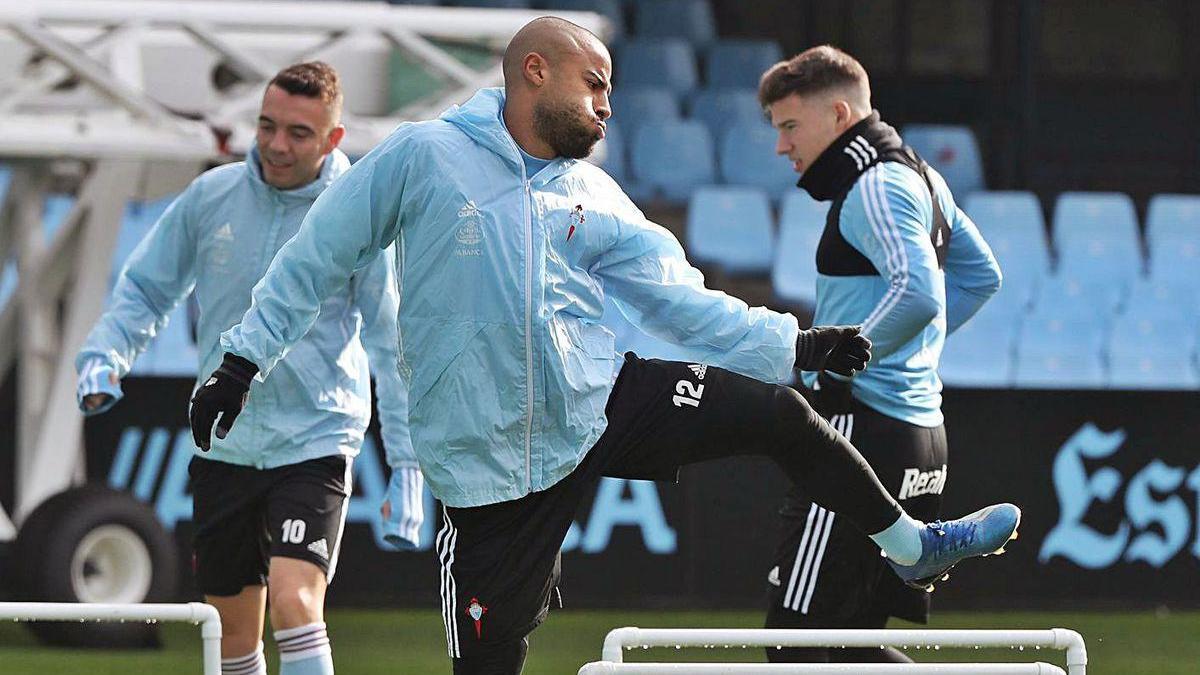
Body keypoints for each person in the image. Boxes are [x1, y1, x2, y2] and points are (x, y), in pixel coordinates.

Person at [188, 19, 1019, 675]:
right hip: (485, 471)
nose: (609, 106)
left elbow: (683, 305)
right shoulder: (423, 157)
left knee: (781, 412)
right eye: (597, 85)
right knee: (487, 662)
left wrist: (799, 345)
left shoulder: (594, 194)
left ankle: (909, 545)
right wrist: (240, 360)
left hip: (596, 404)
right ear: (534, 73)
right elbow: (316, 259)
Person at [76, 62, 423, 675]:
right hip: (223, 444)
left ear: (333, 140)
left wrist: (407, 464)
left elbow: (391, 341)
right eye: (267, 127)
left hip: (315, 439)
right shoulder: (211, 197)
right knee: (234, 640)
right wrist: (105, 355)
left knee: (295, 603)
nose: (276, 145)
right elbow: (146, 291)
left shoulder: (355, 215)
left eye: (297, 133)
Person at [757, 46, 1004, 663]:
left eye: (790, 127)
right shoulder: (922, 175)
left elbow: (920, 295)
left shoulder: (875, 185)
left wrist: (843, 363)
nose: (782, 147)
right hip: (917, 434)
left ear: (839, 114)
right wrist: (905, 356)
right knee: (848, 644)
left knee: (798, 646)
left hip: (858, 432)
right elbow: (979, 278)